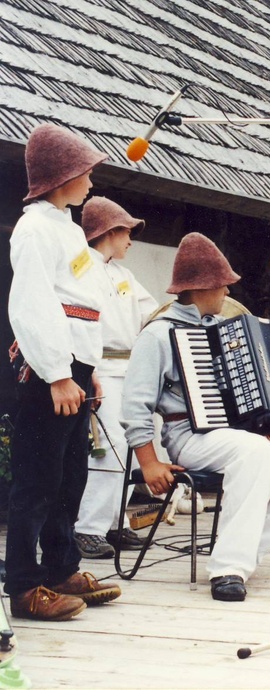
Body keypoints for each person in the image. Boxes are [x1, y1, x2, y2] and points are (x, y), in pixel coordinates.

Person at [121, 232, 270, 601]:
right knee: (252, 453)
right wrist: (149, 462)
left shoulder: (223, 330)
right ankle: (228, 569)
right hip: (187, 435)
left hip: (235, 437)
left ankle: (239, 551)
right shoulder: (158, 335)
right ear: (203, 288)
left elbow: (244, 398)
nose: (227, 295)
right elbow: (135, 406)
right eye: (223, 287)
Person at [5, 123, 122, 621]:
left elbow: (83, 306)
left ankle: (60, 566)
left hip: (75, 364)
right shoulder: (33, 230)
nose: (91, 182)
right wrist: (56, 372)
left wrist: (86, 367)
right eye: (85, 173)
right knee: (37, 477)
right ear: (62, 177)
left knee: (70, 472)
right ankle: (24, 586)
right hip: (47, 367)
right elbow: (32, 306)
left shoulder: (69, 229)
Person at [74, 197, 158, 559]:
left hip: (129, 369)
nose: (131, 239)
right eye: (127, 231)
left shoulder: (125, 275)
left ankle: (113, 524)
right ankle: (87, 528)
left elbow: (152, 313)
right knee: (106, 450)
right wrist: (88, 370)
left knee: (131, 447)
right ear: (108, 231)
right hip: (99, 370)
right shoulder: (81, 267)